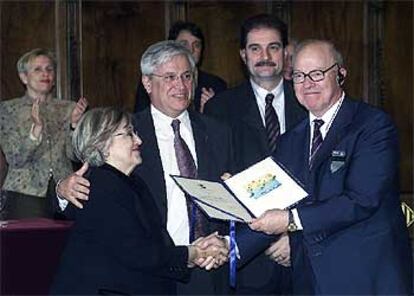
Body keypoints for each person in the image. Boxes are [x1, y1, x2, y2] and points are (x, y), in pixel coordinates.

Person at [57, 41, 234, 294]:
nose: (181, 86)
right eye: (170, 77)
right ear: (148, 83)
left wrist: (221, 243)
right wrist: (62, 191)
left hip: (210, 268)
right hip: (146, 276)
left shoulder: (220, 131)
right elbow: (93, 207)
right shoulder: (122, 133)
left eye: (186, 76)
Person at [243, 39, 413, 294]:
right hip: (310, 280)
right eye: (299, 75)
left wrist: (290, 220)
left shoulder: (372, 126)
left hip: (366, 279)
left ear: (341, 74)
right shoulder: (291, 140)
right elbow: (275, 196)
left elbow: (361, 200)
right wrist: (236, 206)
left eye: (317, 73)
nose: (307, 83)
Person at [50, 107, 228, 295]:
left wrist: (194, 250)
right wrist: (192, 254)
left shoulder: (131, 182)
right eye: (128, 134)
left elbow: (155, 243)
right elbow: (136, 253)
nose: (139, 140)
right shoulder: (99, 186)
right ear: (101, 144)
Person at [204, 14, 306, 295]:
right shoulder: (219, 109)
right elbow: (218, 184)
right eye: (255, 48)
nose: (265, 56)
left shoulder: (308, 103)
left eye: (273, 47)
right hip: (249, 264)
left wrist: (291, 234)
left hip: (304, 254)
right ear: (242, 55)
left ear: (286, 53)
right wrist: (266, 236)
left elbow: (321, 181)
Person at [0, 48, 87, 219]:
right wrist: (36, 131)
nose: (45, 74)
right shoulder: (8, 110)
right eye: (38, 69)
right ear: (24, 77)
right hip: (25, 194)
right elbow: (15, 159)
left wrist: (74, 125)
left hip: (64, 191)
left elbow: (75, 155)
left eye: (49, 69)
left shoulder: (68, 108)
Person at [135, 21, 227, 114]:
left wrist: (211, 109)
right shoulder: (153, 80)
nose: (191, 50)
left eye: (196, 45)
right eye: (184, 44)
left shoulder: (216, 85)